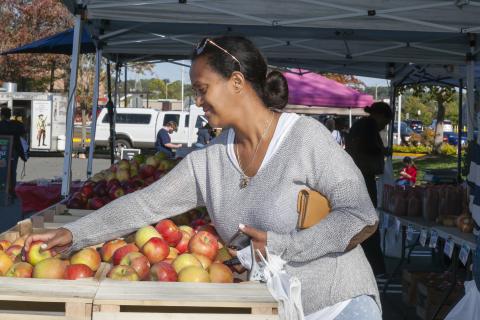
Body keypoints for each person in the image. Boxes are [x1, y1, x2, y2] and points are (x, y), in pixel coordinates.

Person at [25, 36, 381, 319]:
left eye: (202, 88)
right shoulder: (209, 161)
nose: (197, 101)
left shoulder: (306, 137)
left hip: (340, 306)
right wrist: (76, 234)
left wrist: (282, 246)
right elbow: (145, 204)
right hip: (277, 309)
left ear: (237, 82)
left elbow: (360, 216)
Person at [345, 101, 393, 277]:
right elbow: (369, 149)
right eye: (385, 123)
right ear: (379, 116)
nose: (384, 127)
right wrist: (382, 151)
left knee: (360, 221)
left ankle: (364, 263)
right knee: (369, 223)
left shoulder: (361, 125)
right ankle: (375, 266)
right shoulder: (368, 127)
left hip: (357, 178)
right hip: (363, 179)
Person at [0, 106, 26, 198]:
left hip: (2, 152)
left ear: (2, 115)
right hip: (14, 152)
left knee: (2, 170)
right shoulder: (17, 124)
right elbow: (23, 132)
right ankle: (12, 191)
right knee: (12, 171)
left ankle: (2, 188)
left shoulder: (1, 124)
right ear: (9, 115)